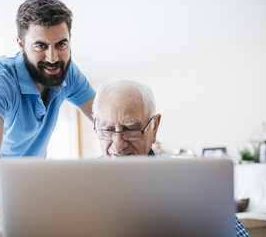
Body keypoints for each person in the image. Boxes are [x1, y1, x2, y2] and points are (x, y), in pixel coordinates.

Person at [0, 0, 95, 236]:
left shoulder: (69, 72)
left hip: (26, 180)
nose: (53, 58)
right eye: (40, 46)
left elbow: (103, 117)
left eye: (61, 44)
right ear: (21, 45)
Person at [91, 80, 250, 237]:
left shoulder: (192, 182)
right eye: (107, 129)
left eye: (132, 129)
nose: (118, 145)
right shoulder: (83, 183)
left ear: (155, 127)